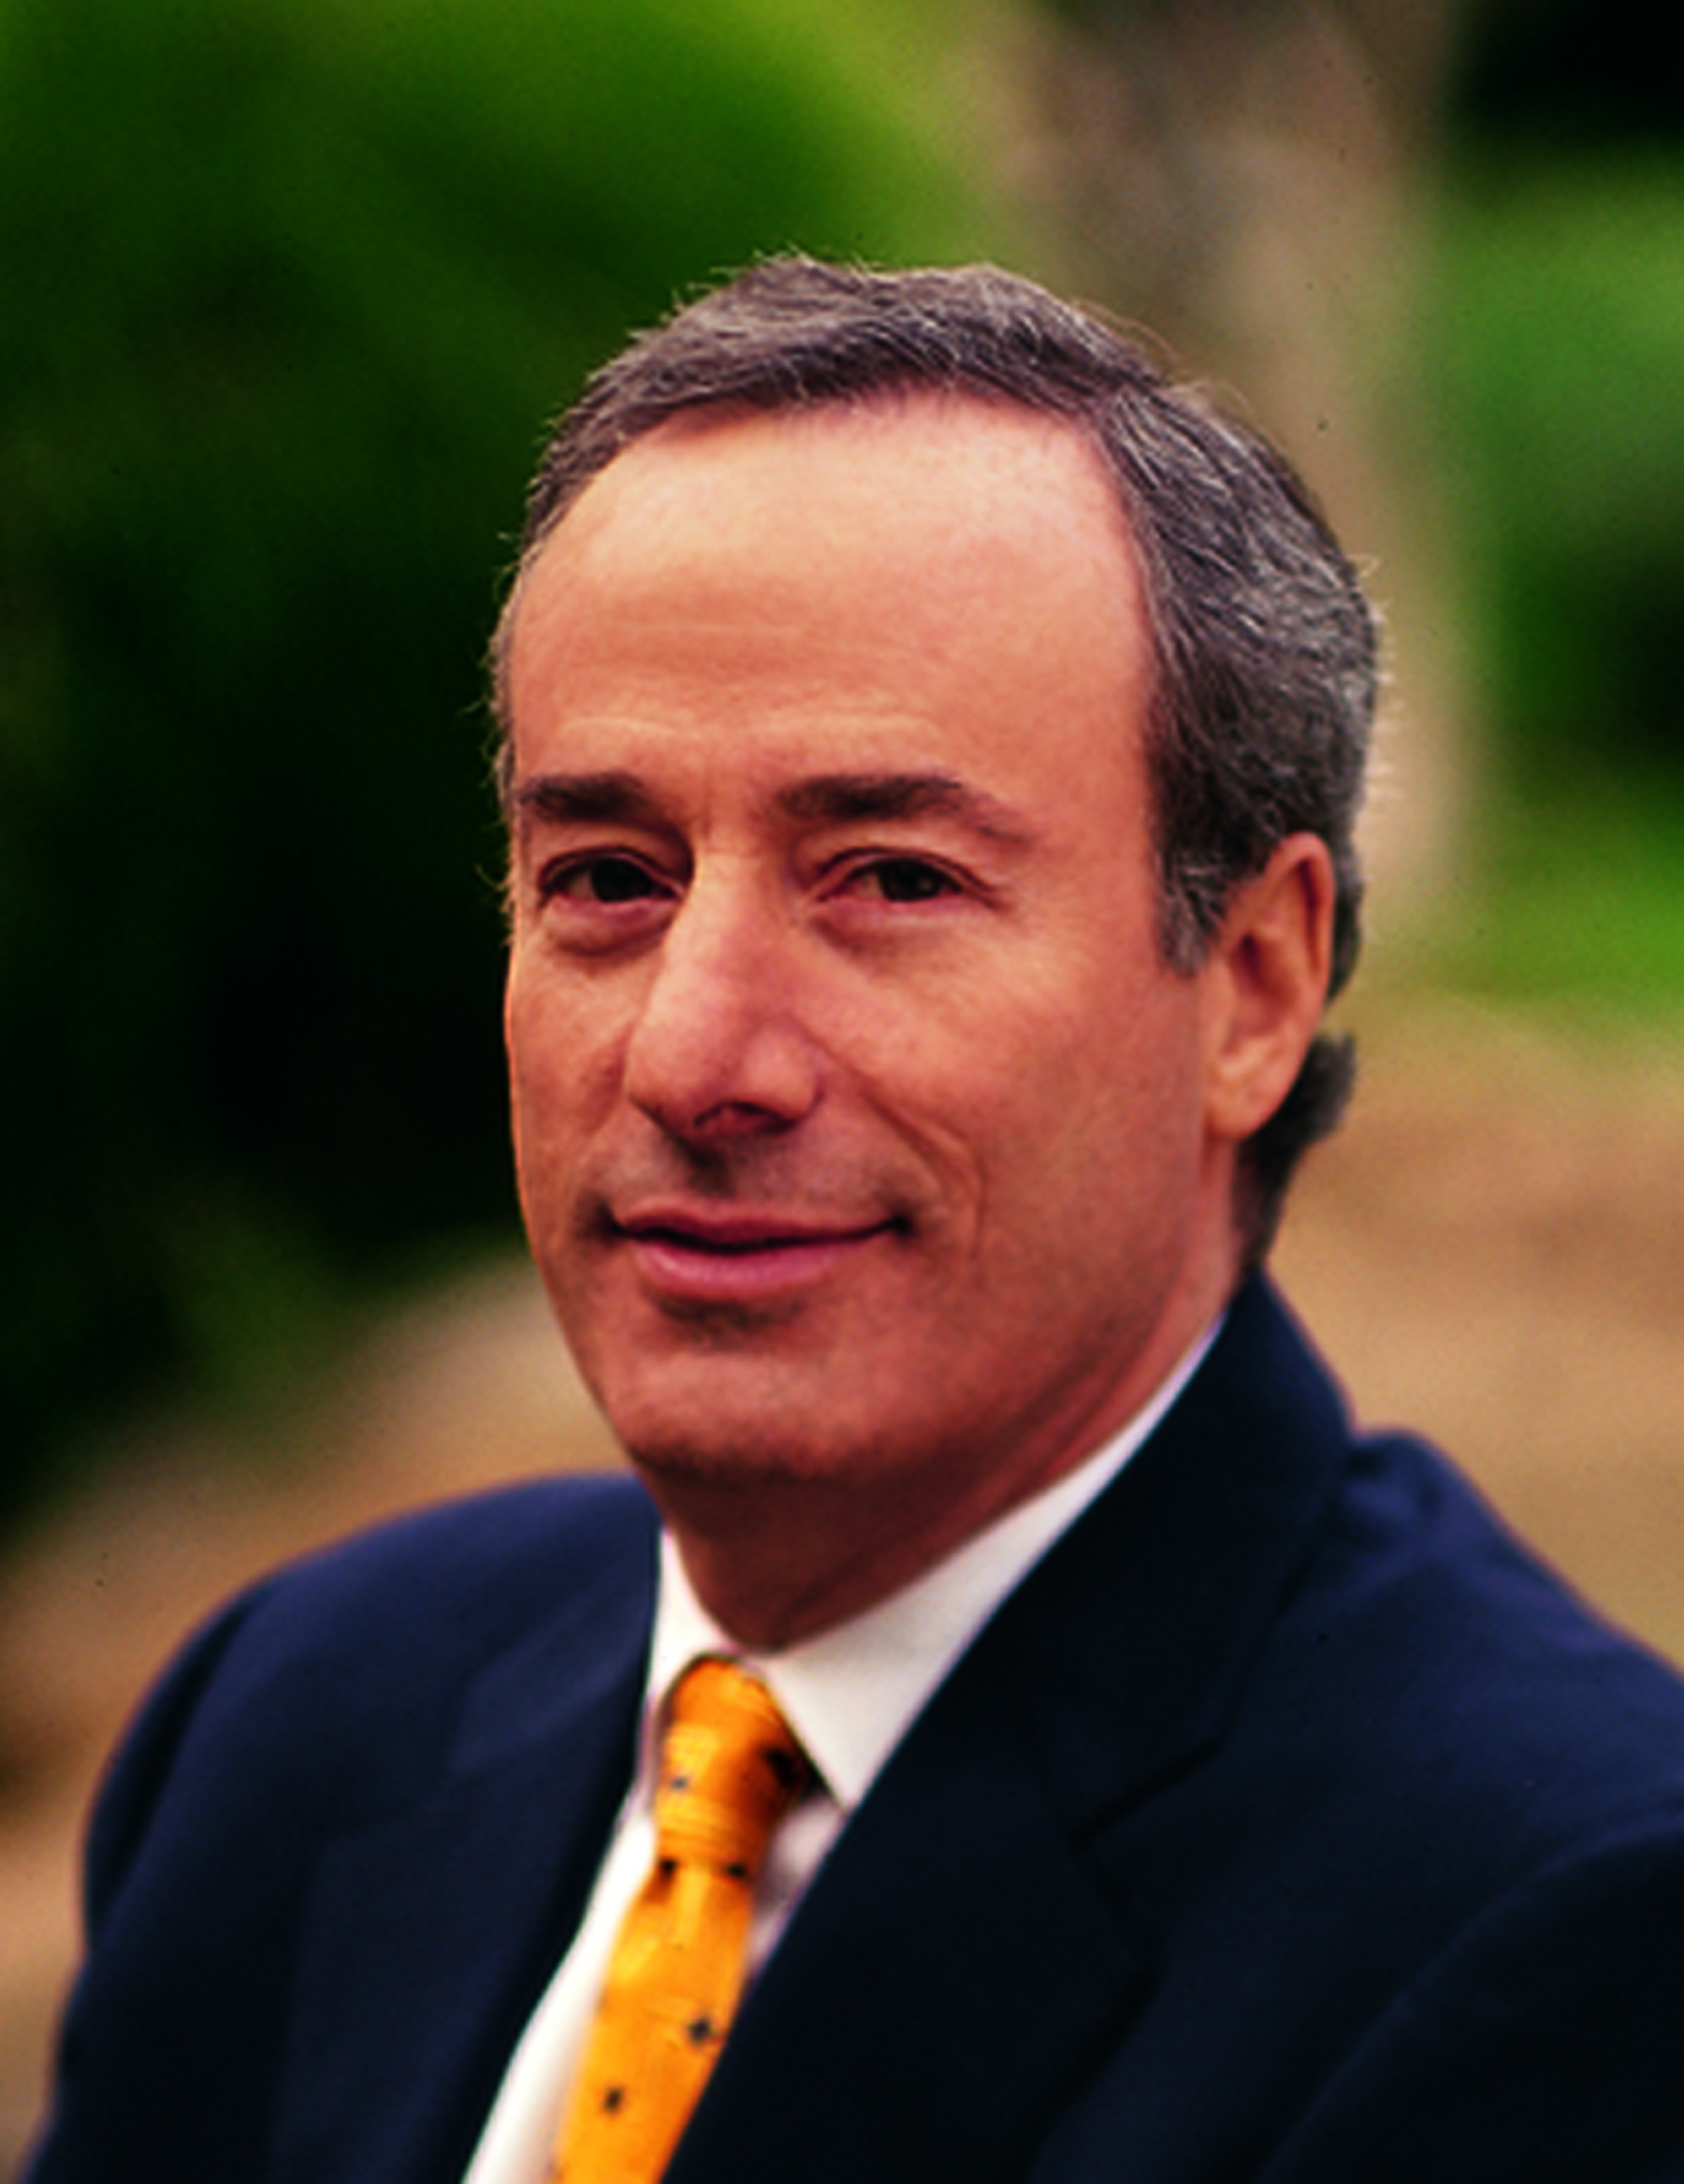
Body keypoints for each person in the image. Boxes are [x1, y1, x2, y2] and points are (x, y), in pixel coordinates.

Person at [24, 259, 1684, 2184]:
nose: (693, 1055)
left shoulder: (1565, 1930)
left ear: (1252, 982)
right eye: (608, 877)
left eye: (891, 879)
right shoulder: (302, 1718)